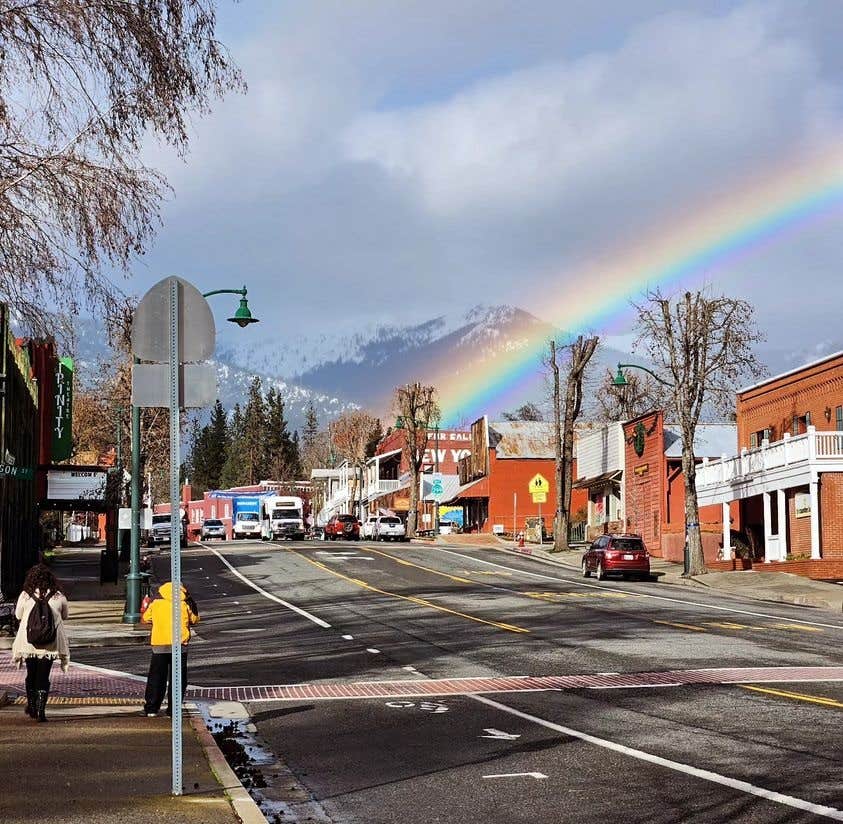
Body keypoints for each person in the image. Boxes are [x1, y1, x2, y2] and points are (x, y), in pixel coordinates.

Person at [11, 563, 70, 722]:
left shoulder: (25, 595)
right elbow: (65, 616)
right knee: (44, 676)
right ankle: (41, 710)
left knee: (31, 674)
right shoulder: (59, 596)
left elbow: (17, 616)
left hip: (29, 643)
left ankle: (31, 706)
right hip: (49, 644)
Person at [140, 581, 199, 716]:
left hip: (160, 644)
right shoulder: (184, 604)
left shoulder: (156, 604)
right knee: (178, 678)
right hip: (179, 645)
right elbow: (195, 620)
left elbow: (145, 618)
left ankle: (151, 708)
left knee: (156, 677)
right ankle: (173, 709)